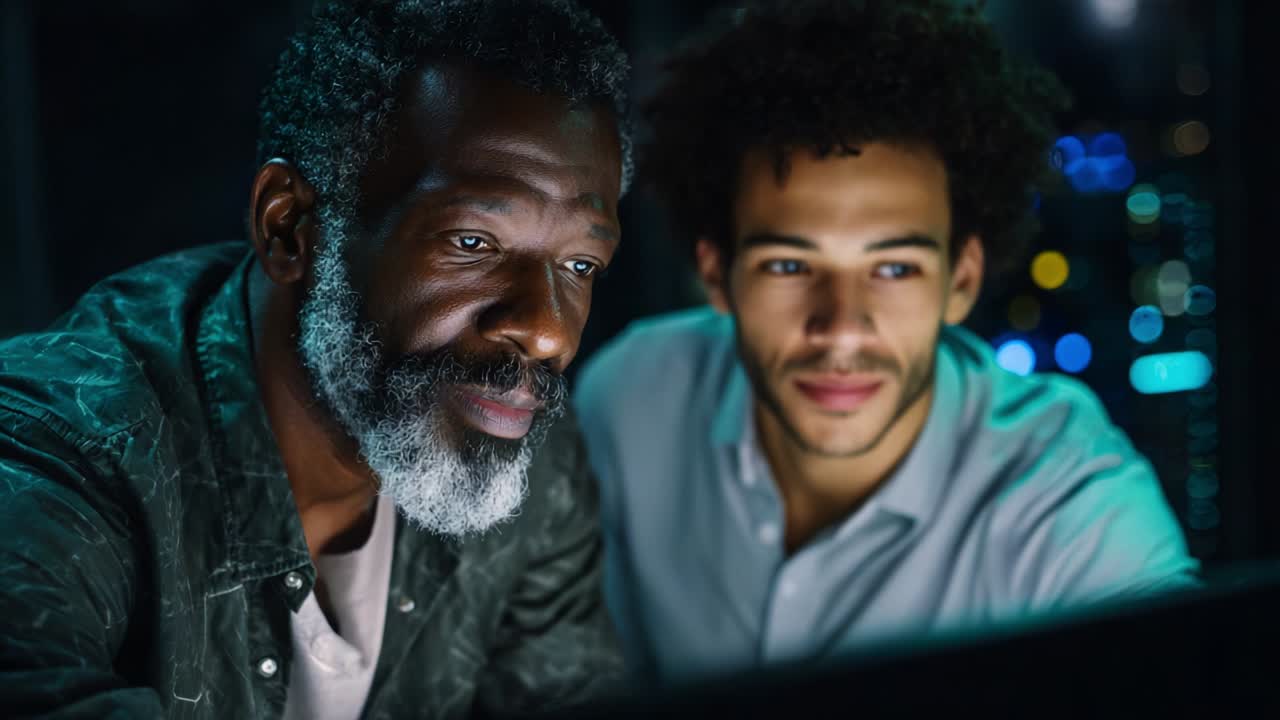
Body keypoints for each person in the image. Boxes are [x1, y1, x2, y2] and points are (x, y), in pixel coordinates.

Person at [0, 0, 632, 717]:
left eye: (580, 265)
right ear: (290, 226)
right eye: (472, 243)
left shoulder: (525, 466)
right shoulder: (59, 447)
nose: (546, 332)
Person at [573, 0, 1199, 686]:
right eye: (789, 266)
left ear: (961, 281)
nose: (842, 326)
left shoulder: (1067, 501)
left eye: (894, 269)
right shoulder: (628, 399)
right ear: (718, 276)